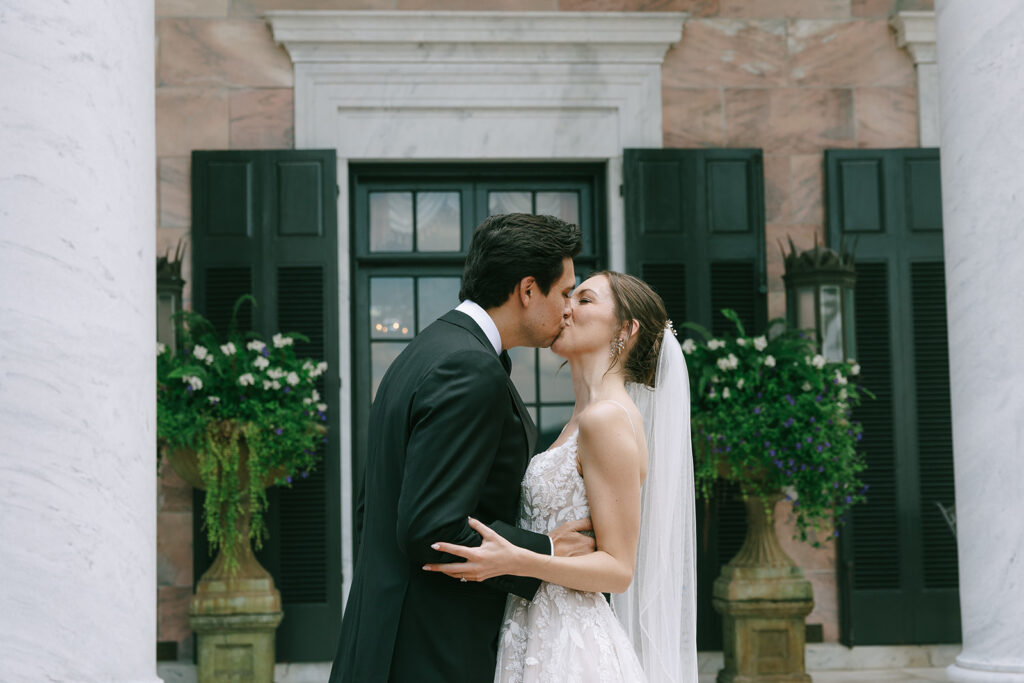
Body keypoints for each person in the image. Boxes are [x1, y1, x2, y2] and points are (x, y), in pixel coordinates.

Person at [329, 213, 598, 683]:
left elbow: (375, 507)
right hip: (429, 653)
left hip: (384, 636)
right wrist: (546, 552)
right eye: (564, 292)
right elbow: (431, 529)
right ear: (528, 289)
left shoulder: (427, 349)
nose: (569, 308)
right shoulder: (468, 368)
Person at [425, 271, 698, 682]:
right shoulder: (579, 419)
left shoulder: (606, 419)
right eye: (570, 296)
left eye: (585, 300)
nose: (566, 308)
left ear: (625, 329)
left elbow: (618, 570)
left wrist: (518, 558)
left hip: (572, 647)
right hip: (531, 629)